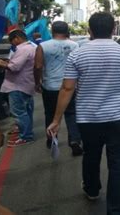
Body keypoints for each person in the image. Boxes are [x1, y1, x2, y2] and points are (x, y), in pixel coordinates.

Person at [47, 12, 120, 214]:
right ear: (113, 30)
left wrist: (56, 120)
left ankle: (91, 190)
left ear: (89, 31)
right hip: (119, 118)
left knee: (91, 155)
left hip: (88, 119)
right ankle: (116, 210)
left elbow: (67, 89)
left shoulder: (77, 55)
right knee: (118, 163)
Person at [34, 21, 83, 155]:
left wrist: (37, 82)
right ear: (67, 31)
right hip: (70, 85)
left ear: (52, 31)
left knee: (50, 113)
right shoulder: (75, 45)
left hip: (50, 86)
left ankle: (51, 138)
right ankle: (74, 140)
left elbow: (38, 66)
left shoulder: (43, 46)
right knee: (71, 113)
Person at [0, 30, 36, 147]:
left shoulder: (23, 49)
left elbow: (14, 67)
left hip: (18, 85)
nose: (12, 44)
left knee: (19, 112)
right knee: (26, 111)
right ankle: (26, 133)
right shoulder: (30, 47)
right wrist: (1, 62)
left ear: (17, 38)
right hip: (25, 84)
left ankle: (26, 136)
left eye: (12, 41)